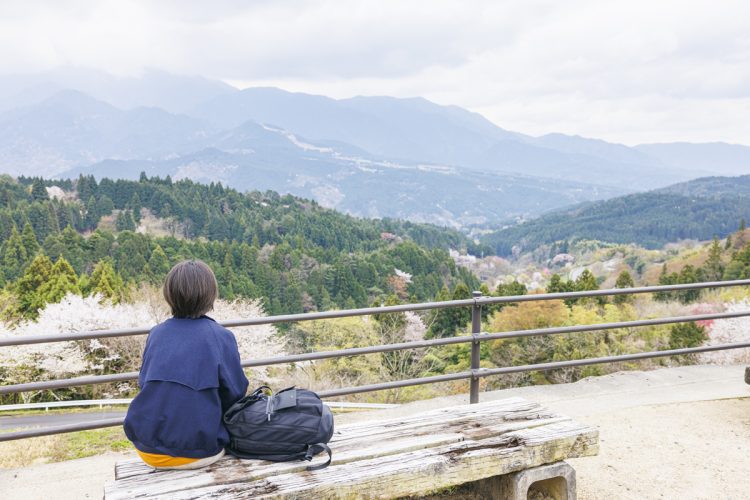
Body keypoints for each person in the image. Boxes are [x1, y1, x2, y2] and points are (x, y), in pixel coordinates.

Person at [124, 260, 249, 469]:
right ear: (210, 295)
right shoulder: (220, 337)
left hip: (146, 449)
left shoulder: (156, 333)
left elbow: (145, 383)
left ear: (169, 294)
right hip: (197, 452)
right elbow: (235, 393)